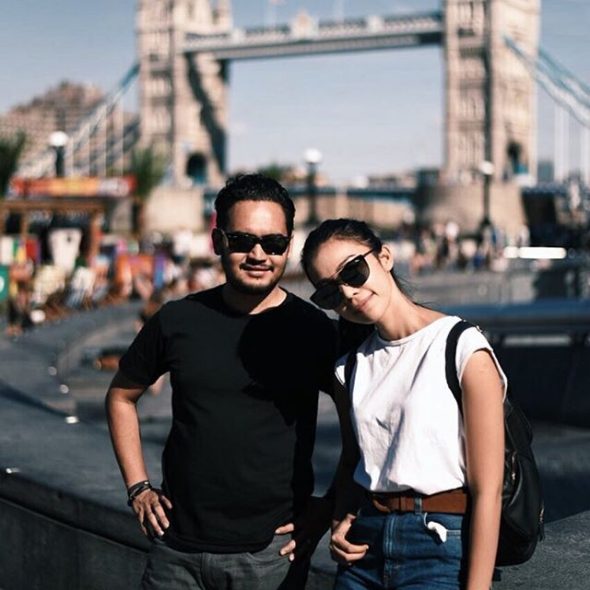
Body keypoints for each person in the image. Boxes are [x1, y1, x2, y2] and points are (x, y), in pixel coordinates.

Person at [105, 174, 338, 590]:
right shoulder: (177, 320)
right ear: (217, 242)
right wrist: (138, 488)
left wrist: (332, 504)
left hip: (271, 555)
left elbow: (362, 420)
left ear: (289, 246)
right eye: (242, 240)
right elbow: (121, 397)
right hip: (174, 550)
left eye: (274, 243)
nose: (258, 254)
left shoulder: (313, 330)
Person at [300, 218, 506, 590]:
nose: (348, 293)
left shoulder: (460, 347)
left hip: (438, 543)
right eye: (329, 292)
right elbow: (353, 460)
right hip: (364, 548)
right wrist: (340, 519)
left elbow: (487, 491)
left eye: (353, 272)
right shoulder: (350, 368)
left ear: (385, 257)